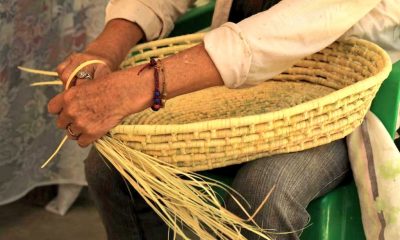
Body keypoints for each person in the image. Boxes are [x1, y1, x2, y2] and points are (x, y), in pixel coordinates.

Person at [48, 0, 400, 239]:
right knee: (111, 169)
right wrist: (104, 51)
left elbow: (301, 22)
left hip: (346, 98)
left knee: (267, 190)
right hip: (236, 87)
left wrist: (142, 85)